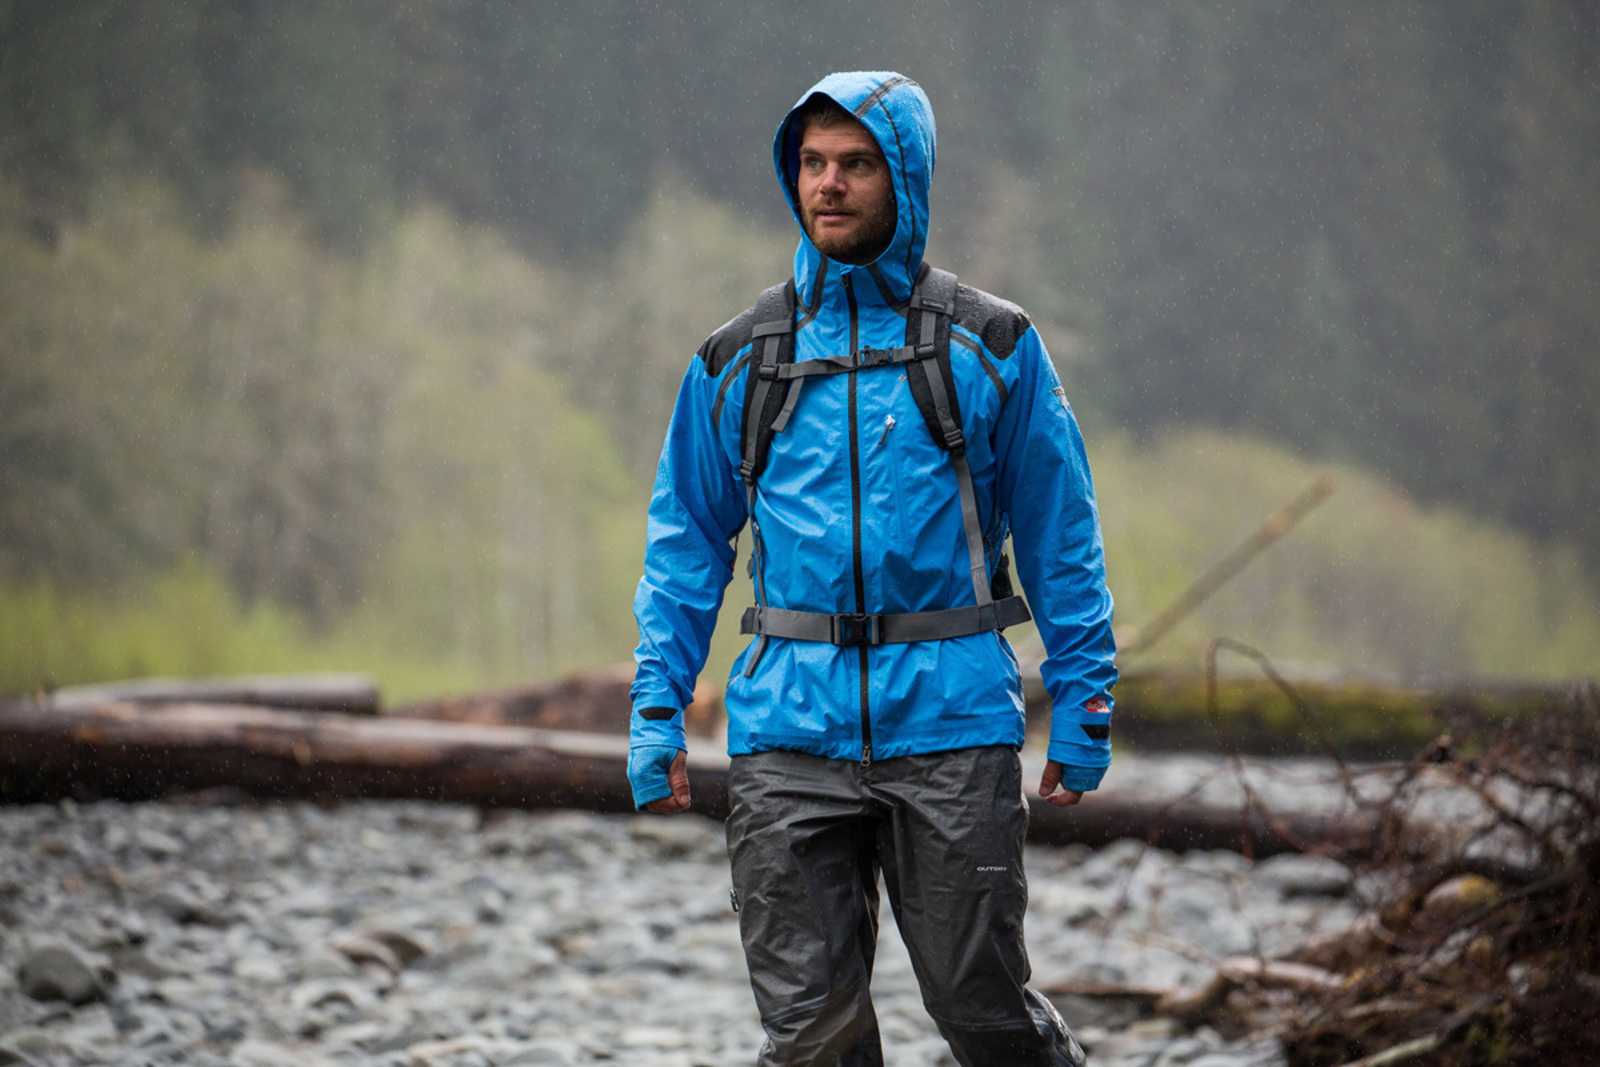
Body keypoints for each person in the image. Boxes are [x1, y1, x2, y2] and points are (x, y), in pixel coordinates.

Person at [626, 70, 1116, 1067]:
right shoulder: (738, 359)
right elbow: (684, 546)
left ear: (906, 177)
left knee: (980, 1010)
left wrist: (1084, 701)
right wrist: (655, 710)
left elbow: (1062, 536)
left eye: (855, 163)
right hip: (784, 736)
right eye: (811, 163)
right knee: (810, 1034)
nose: (829, 184)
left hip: (950, 725)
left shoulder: (992, 346)